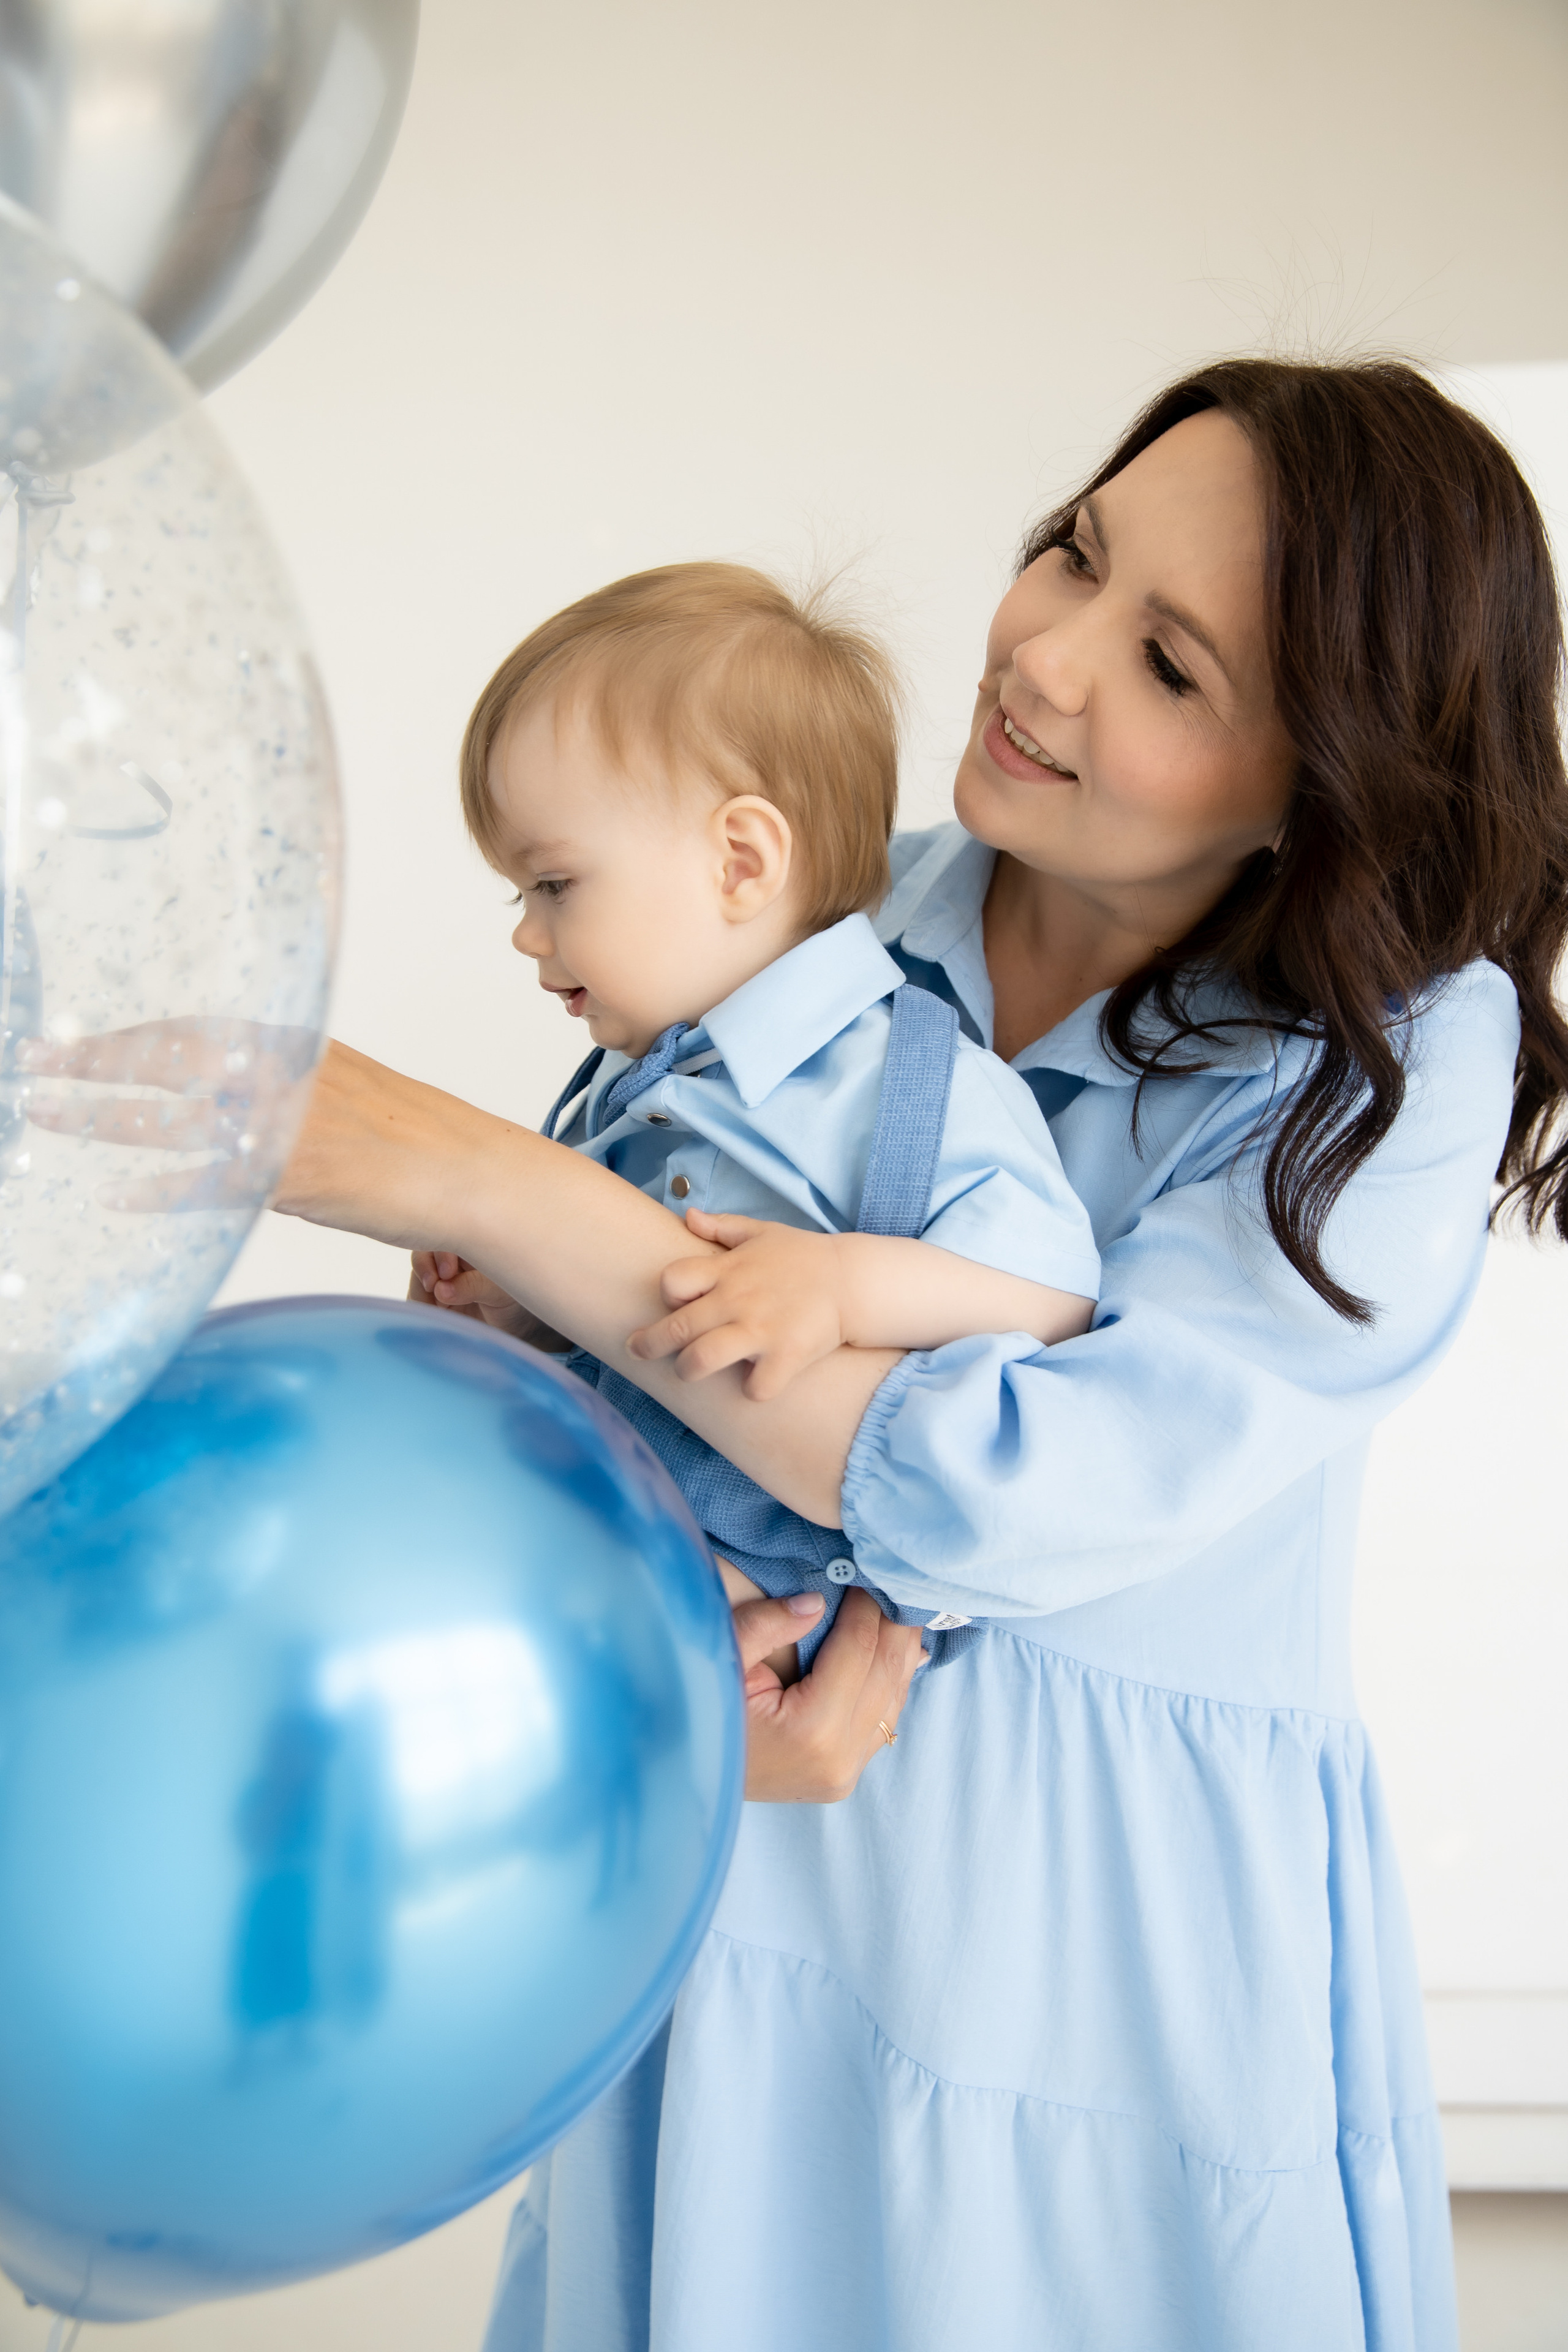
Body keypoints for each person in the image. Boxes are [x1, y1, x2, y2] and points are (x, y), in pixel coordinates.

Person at [53, 355, 1568, 2347]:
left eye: (1173, 665)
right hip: (750, 1901)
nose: (1043, 659)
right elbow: (655, 1409)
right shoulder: (829, 912)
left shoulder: (1396, 1046)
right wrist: (664, 1631)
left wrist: (484, 1181)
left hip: (1093, 1954)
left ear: (1324, 767)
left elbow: (1019, 1482)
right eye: (1074, 553)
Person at [407, 560, 1099, 1671]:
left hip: (749, 1581)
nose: (528, 936)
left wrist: (841, 1287)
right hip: (584, 1517)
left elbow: (1053, 1295)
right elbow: (631, 1314)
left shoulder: (912, 1078)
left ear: (741, 861)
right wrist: (519, 1299)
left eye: (553, 885)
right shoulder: (624, 1093)